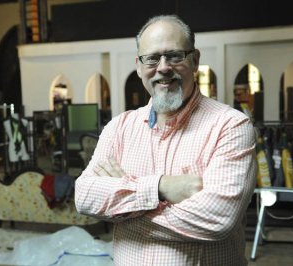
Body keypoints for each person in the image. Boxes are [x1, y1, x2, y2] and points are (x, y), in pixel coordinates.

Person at [75, 14, 257, 265]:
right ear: (139, 66)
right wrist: (160, 187)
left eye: (174, 56)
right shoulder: (119, 128)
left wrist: (120, 210)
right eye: (152, 58)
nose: (163, 67)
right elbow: (84, 196)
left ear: (195, 60)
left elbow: (217, 219)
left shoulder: (231, 126)